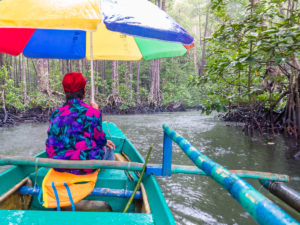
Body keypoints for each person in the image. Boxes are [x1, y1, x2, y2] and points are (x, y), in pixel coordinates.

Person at [45, 72, 115, 175]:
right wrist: (96, 112)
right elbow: (99, 141)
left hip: (58, 165)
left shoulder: (56, 113)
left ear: (64, 92)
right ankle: (109, 178)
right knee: (109, 150)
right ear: (84, 91)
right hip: (84, 167)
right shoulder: (92, 112)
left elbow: (52, 140)